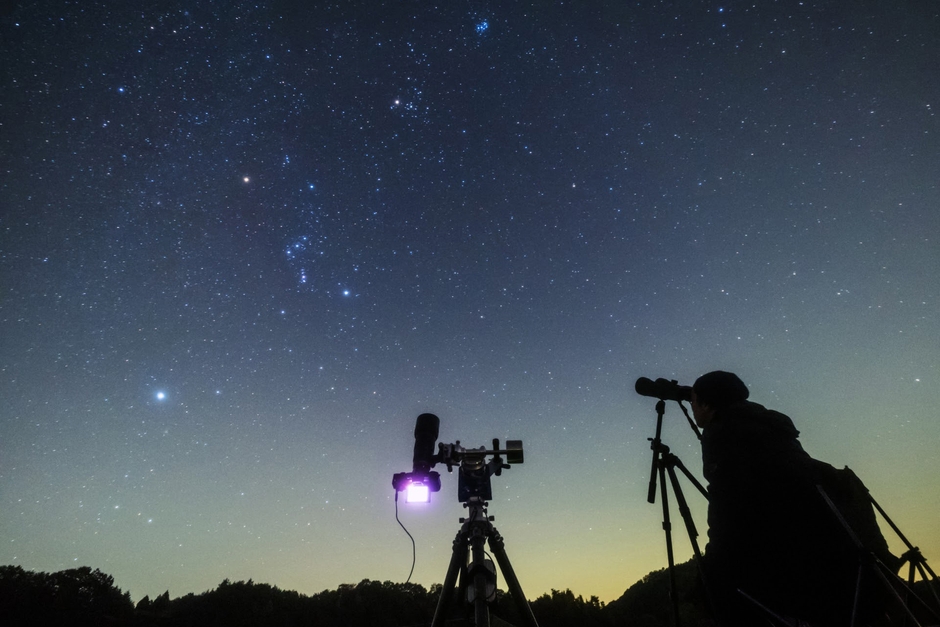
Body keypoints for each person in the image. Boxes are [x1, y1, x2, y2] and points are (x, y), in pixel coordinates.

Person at [690, 371, 894, 626]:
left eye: (694, 402)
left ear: (707, 404)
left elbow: (727, 507)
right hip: (833, 548)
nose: (693, 408)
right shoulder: (771, 426)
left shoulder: (722, 433)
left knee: (711, 586)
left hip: (791, 557)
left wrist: (712, 560)